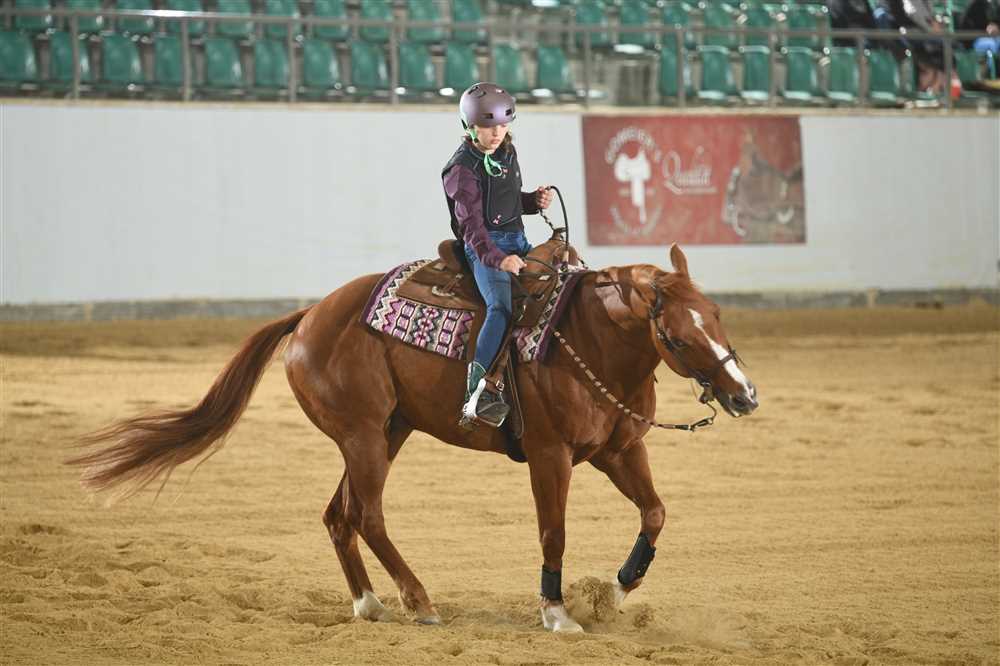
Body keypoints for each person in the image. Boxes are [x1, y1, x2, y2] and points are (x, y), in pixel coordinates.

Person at [441, 82, 553, 428]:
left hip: (518, 240)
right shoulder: (461, 170)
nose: (497, 133)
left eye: (503, 126)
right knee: (500, 308)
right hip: (483, 248)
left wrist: (532, 202)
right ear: (470, 126)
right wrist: (498, 259)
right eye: (489, 127)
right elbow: (472, 226)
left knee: (560, 281)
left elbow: (506, 202)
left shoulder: (507, 152)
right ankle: (477, 393)